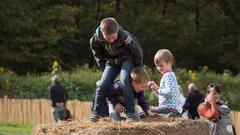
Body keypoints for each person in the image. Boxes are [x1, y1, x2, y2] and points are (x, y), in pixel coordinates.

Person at [90, 17, 143, 122]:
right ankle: (96, 114)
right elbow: (98, 55)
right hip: (111, 62)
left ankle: (131, 113)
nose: (111, 40)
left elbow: (137, 51)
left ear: (117, 30)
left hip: (126, 59)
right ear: (102, 32)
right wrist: (104, 69)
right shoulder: (95, 40)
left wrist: (136, 67)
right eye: (108, 38)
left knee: (124, 80)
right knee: (102, 84)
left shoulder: (124, 36)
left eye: (113, 37)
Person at [148, 49, 183, 116]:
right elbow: (164, 96)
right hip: (170, 107)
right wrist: (155, 90)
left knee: (147, 110)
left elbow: (169, 93)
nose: (159, 68)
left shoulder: (168, 76)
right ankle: (171, 115)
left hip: (169, 108)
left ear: (169, 63)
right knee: (150, 110)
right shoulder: (170, 75)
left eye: (161, 65)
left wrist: (158, 90)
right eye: (157, 66)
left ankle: (172, 115)